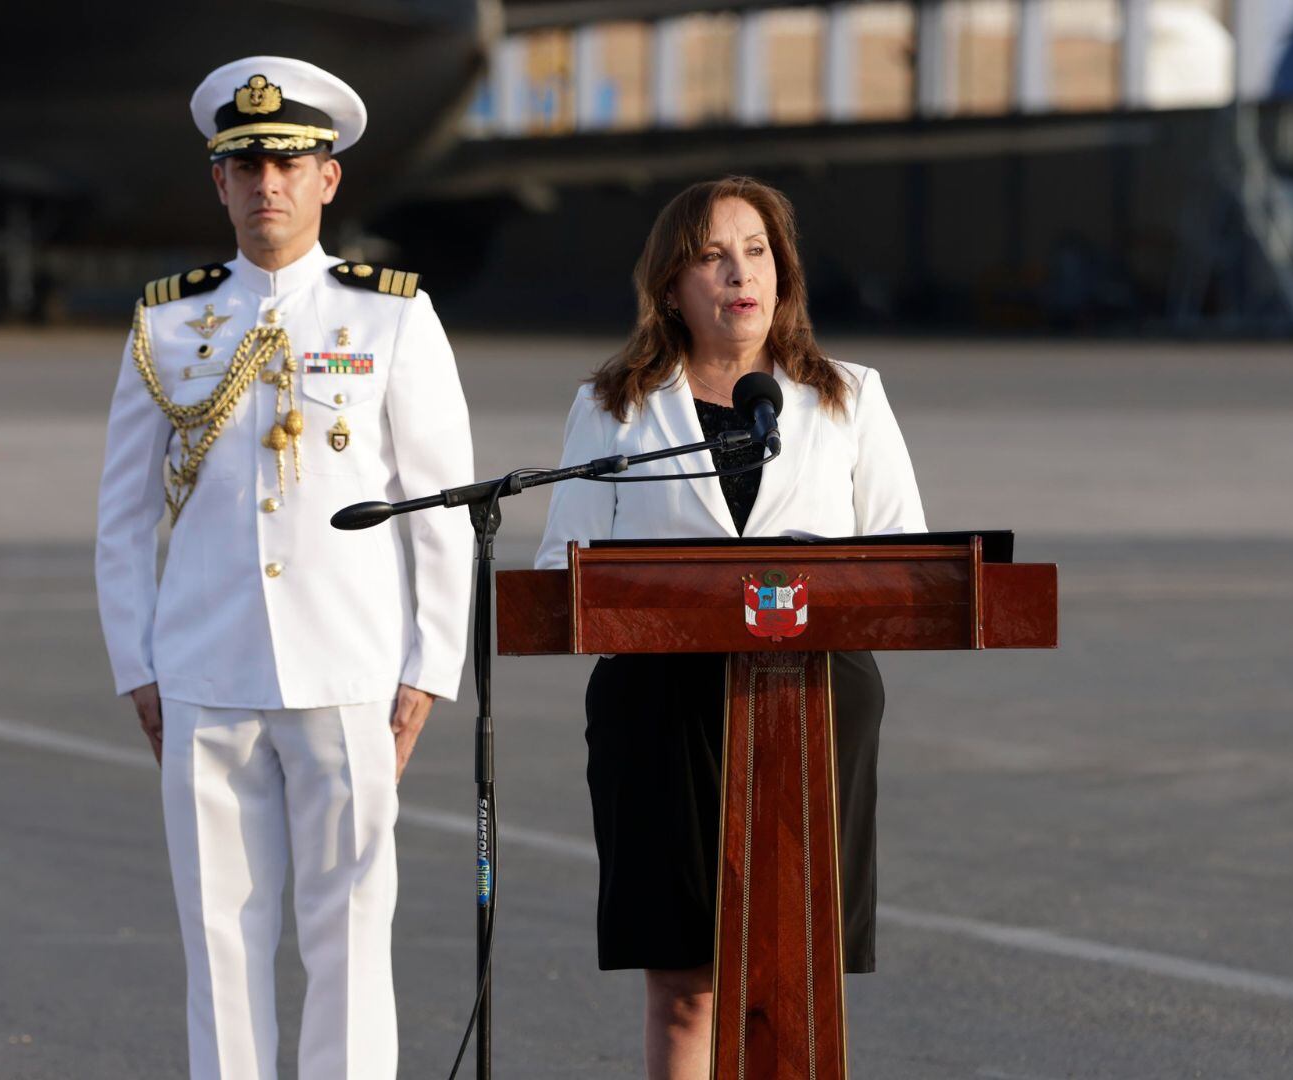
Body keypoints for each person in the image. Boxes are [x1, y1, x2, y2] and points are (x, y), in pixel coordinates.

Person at [95, 55, 473, 1080]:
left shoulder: (389, 315)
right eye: (247, 164)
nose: (269, 183)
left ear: (330, 179)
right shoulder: (169, 322)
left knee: (349, 933)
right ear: (218, 180)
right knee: (220, 940)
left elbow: (442, 507)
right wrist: (138, 659)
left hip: (348, 670)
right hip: (204, 671)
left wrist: (430, 666)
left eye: (290, 163)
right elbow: (123, 515)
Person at [534, 176, 926, 1080]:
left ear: (783, 274)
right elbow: (563, 574)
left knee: (799, 982)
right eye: (712, 256)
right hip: (661, 712)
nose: (738, 274)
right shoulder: (616, 406)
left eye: (756, 252)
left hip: (813, 702)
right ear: (671, 284)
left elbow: (909, 564)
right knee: (685, 982)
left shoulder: (847, 396)